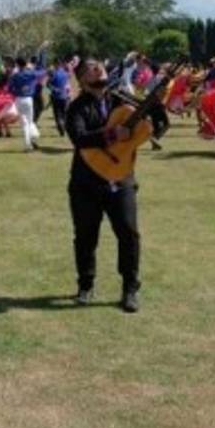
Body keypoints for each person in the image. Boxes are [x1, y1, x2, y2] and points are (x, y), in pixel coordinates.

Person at [65, 58, 141, 313]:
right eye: (91, 69)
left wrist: (157, 108)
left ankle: (130, 288)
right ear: (83, 80)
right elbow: (80, 138)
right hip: (86, 183)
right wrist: (111, 135)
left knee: (129, 233)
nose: (99, 70)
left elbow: (155, 124)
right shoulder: (76, 107)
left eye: (101, 66)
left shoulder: (122, 99)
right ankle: (85, 285)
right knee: (86, 237)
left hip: (121, 179)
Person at [7, 57, 44, 152]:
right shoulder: (30, 73)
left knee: (24, 124)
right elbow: (42, 72)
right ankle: (33, 137)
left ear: (17, 65)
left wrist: (16, 92)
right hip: (29, 99)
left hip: (19, 99)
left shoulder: (15, 75)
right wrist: (41, 58)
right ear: (25, 64)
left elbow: (9, 89)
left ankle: (28, 145)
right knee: (30, 122)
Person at [48, 59, 72, 136]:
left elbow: (48, 84)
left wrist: (54, 89)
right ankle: (64, 126)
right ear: (61, 64)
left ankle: (61, 127)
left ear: (55, 64)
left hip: (56, 97)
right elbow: (68, 81)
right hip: (65, 96)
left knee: (57, 114)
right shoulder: (65, 73)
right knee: (64, 113)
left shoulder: (53, 74)